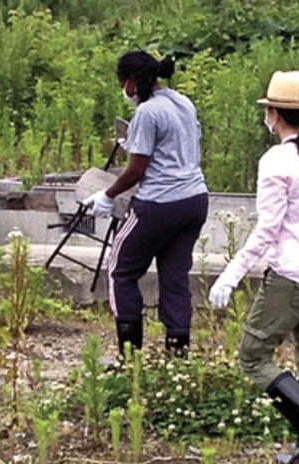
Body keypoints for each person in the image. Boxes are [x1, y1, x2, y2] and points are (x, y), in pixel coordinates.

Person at [208, 71, 299, 464]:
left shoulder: (276, 162)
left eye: (268, 110)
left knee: (253, 355)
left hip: (291, 275)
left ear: (276, 114)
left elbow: (268, 230)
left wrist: (230, 275)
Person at [84, 51, 208, 356]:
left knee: (120, 270)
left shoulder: (146, 113)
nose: (123, 90)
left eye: (121, 83)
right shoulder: (182, 102)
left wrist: (107, 195)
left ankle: (130, 357)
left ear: (130, 81)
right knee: (175, 277)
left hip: (158, 204)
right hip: (194, 200)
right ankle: (176, 355)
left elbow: (138, 169)